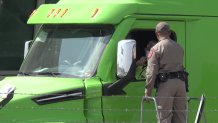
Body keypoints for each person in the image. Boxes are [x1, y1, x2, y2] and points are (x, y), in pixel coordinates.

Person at [144, 22, 187, 123]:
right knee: (181, 117)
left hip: (166, 84)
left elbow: (151, 72)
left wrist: (148, 92)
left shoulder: (156, 49)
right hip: (181, 84)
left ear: (157, 33)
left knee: (164, 117)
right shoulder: (179, 47)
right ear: (169, 32)